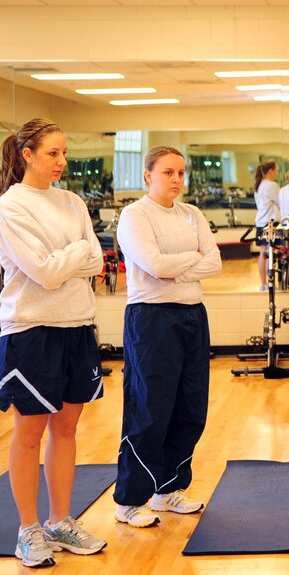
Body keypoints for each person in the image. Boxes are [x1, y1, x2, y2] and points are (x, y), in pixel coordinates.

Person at [0, 118, 108, 567]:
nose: (62, 162)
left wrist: (70, 259)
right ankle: (28, 530)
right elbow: (42, 272)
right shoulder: (11, 206)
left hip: (77, 324)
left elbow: (97, 260)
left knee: (66, 427)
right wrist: (74, 255)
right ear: (27, 154)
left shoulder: (72, 201)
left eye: (65, 153)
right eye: (53, 153)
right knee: (30, 432)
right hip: (32, 329)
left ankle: (61, 520)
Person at [113, 146, 222, 528]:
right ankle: (129, 500)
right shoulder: (135, 215)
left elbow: (216, 261)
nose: (176, 179)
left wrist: (180, 266)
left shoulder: (192, 214)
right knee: (150, 409)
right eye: (167, 173)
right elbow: (154, 266)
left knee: (190, 408)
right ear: (148, 175)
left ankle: (167, 490)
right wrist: (191, 261)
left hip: (192, 315)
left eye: (181, 173)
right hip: (151, 319)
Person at [253, 160, 280, 291]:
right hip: (271, 223)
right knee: (271, 252)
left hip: (261, 222)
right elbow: (281, 203)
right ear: (271, 171)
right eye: (276, 170)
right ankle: (270, 284)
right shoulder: (271, 185)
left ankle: (263, 284)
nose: (278, 172)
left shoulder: (259, 185)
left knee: (263, 253)